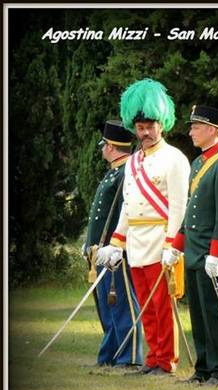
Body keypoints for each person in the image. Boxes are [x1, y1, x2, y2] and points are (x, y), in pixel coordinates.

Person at [97, 79, 191, 376]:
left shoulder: (175, 158)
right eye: (140, 127)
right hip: (136, 241)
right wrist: (116, 242)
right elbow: (128, 203)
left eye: (150, 125)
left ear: (162, 124)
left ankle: (166, 361)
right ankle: (152, 357)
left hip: (161, 240)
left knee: (162, 306)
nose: (146, 132)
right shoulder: (134, 160)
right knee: (145, 307)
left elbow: (179, 206)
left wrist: (171, 246)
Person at [170, 104, 218, 387]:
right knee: (198, 313)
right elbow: (191, 211)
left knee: (215, 312)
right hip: (195, 252)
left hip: (213, 254)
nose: (191, 132)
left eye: (196, 127)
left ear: (213, 130)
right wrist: (178, 244)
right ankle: (202, 368)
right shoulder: (199, 162)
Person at [84, 120, 143, 369]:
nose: (102, 150)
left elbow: (125, 213)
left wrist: (118, 246)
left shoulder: (125, 174)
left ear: (110, 146)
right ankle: (109, 354)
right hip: (101, 252)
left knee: (122, 306)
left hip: (115, 252)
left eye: (104, 145)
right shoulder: (115, 172)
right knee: (107, 310)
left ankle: (128, 357)